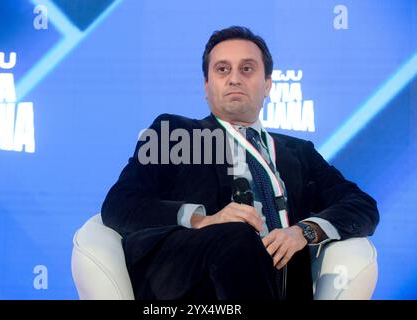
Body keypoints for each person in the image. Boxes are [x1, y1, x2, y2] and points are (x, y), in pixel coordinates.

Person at [101, 26, 379, 300]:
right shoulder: (174, 132)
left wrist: (303, 231)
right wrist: (203, 220)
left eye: (247, 69)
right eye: (222, 69)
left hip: (278, 283)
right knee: (237, 233)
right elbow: (120, 205)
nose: (234, 79)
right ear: (206, 86)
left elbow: (361, 205)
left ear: (268, 84)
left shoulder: (299, 152)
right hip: (192, 284)